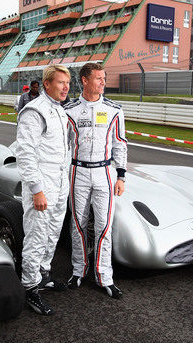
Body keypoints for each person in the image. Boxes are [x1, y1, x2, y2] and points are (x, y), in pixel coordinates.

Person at [64, 63, 127, 299]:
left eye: (104, 78)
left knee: (104, 226)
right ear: (84, 80)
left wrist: (121, 175)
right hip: (77, 172)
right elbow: (64, 146)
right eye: (98, 78)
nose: (103, 82)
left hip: (104, 173)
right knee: (78, 224)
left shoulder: (114, 110)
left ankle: (104, 277)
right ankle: (78, 271)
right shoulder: (68, 110)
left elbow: (120, 144)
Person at [15, 65, 71, 315]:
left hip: (60, 183)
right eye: (60, 82)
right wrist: (37, 189)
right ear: (46, 84)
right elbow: (25, 153)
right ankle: (29, 287)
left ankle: (43, 273)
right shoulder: (34, 111)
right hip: (42, 183)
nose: (65, 87)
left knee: (53, 233)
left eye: (68, 83)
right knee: (37, 236)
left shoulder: (60, 110)